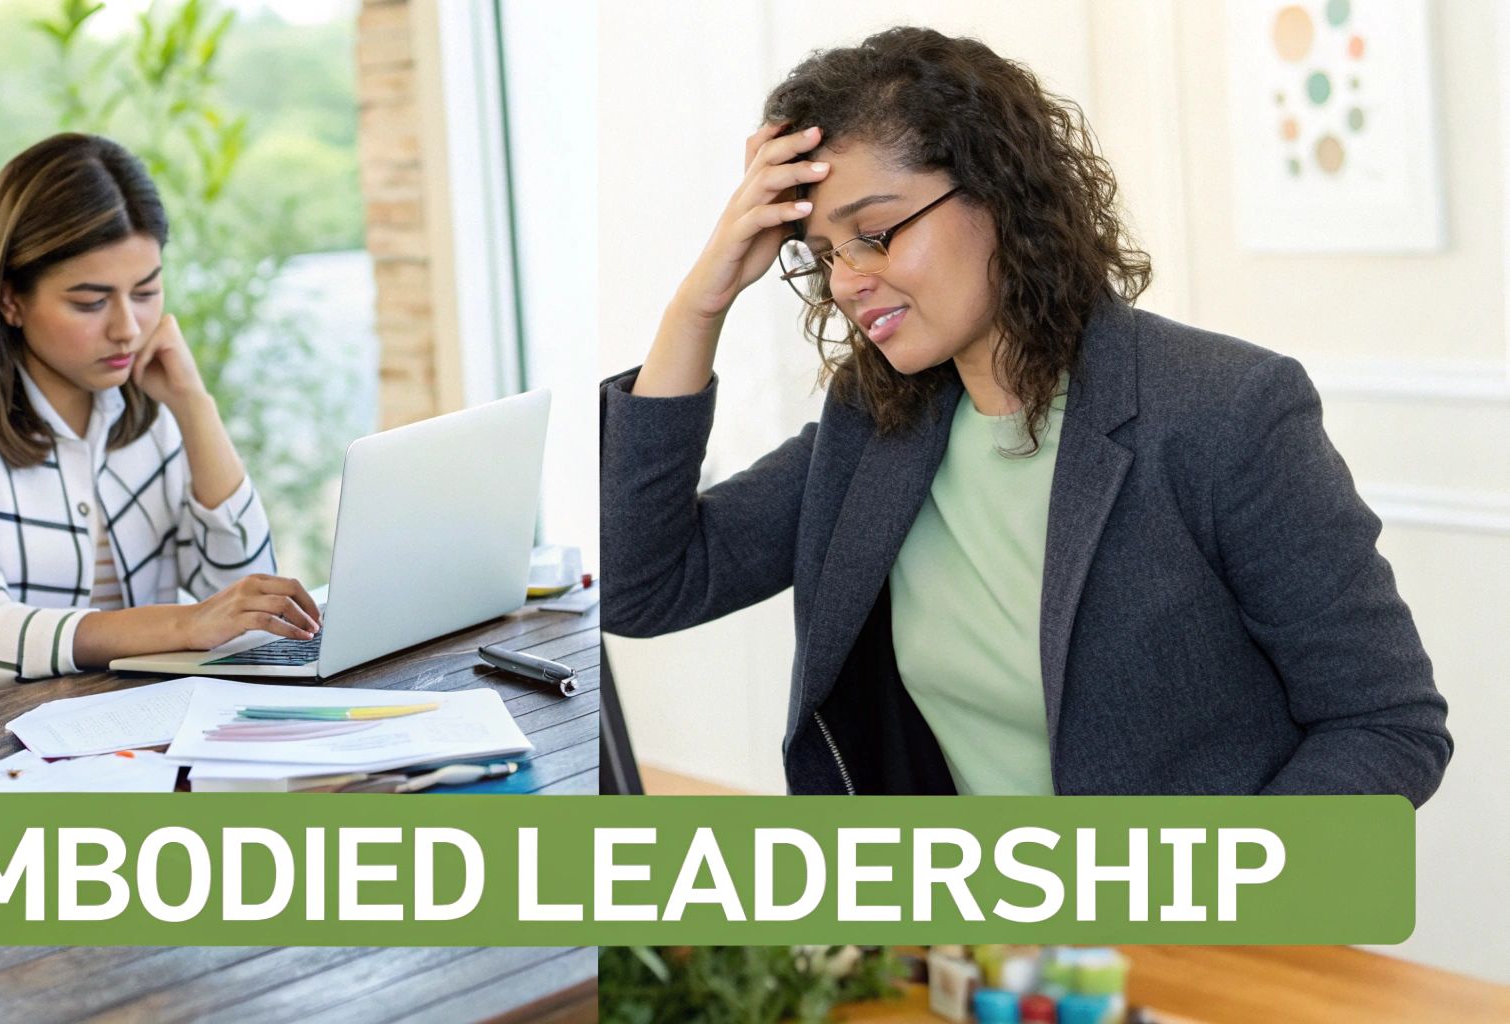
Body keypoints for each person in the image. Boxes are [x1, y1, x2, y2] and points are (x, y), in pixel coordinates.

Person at [599, 27, 1451, 803]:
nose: (848, 281)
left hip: (1186, 910)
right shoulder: (877, 425)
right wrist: (701, 302)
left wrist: (1212, 892)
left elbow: (1386, 724)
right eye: (824, 255)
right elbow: (646, 586)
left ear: (999, 194)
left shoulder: (1224, 410)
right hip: (963, 914)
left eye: (876, 233)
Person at [0, 133, 319, 733]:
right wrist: (184, 624)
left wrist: (195, 407)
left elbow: (245, 606)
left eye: (146, 292)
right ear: (11, 299)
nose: (127, 328)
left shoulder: (153, 396)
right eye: (90, 302)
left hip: (112, 738)